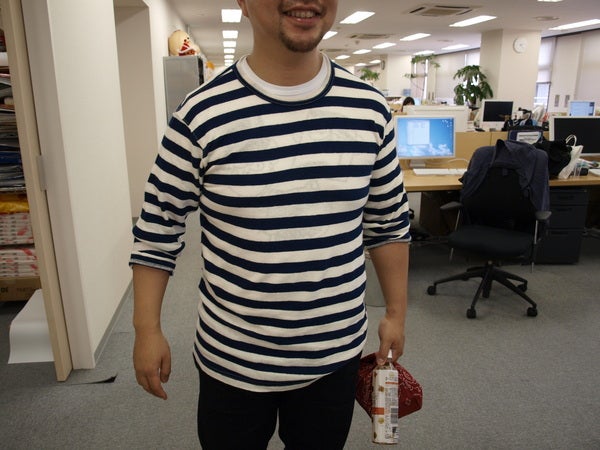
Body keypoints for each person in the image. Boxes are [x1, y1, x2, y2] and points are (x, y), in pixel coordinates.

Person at [130, 1, 411, 449]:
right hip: (233, 360)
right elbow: (157, 230)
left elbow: (388, 222)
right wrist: (147, 329)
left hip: (334, 355)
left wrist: (395, 313)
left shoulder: (369, 109)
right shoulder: (201, 113)